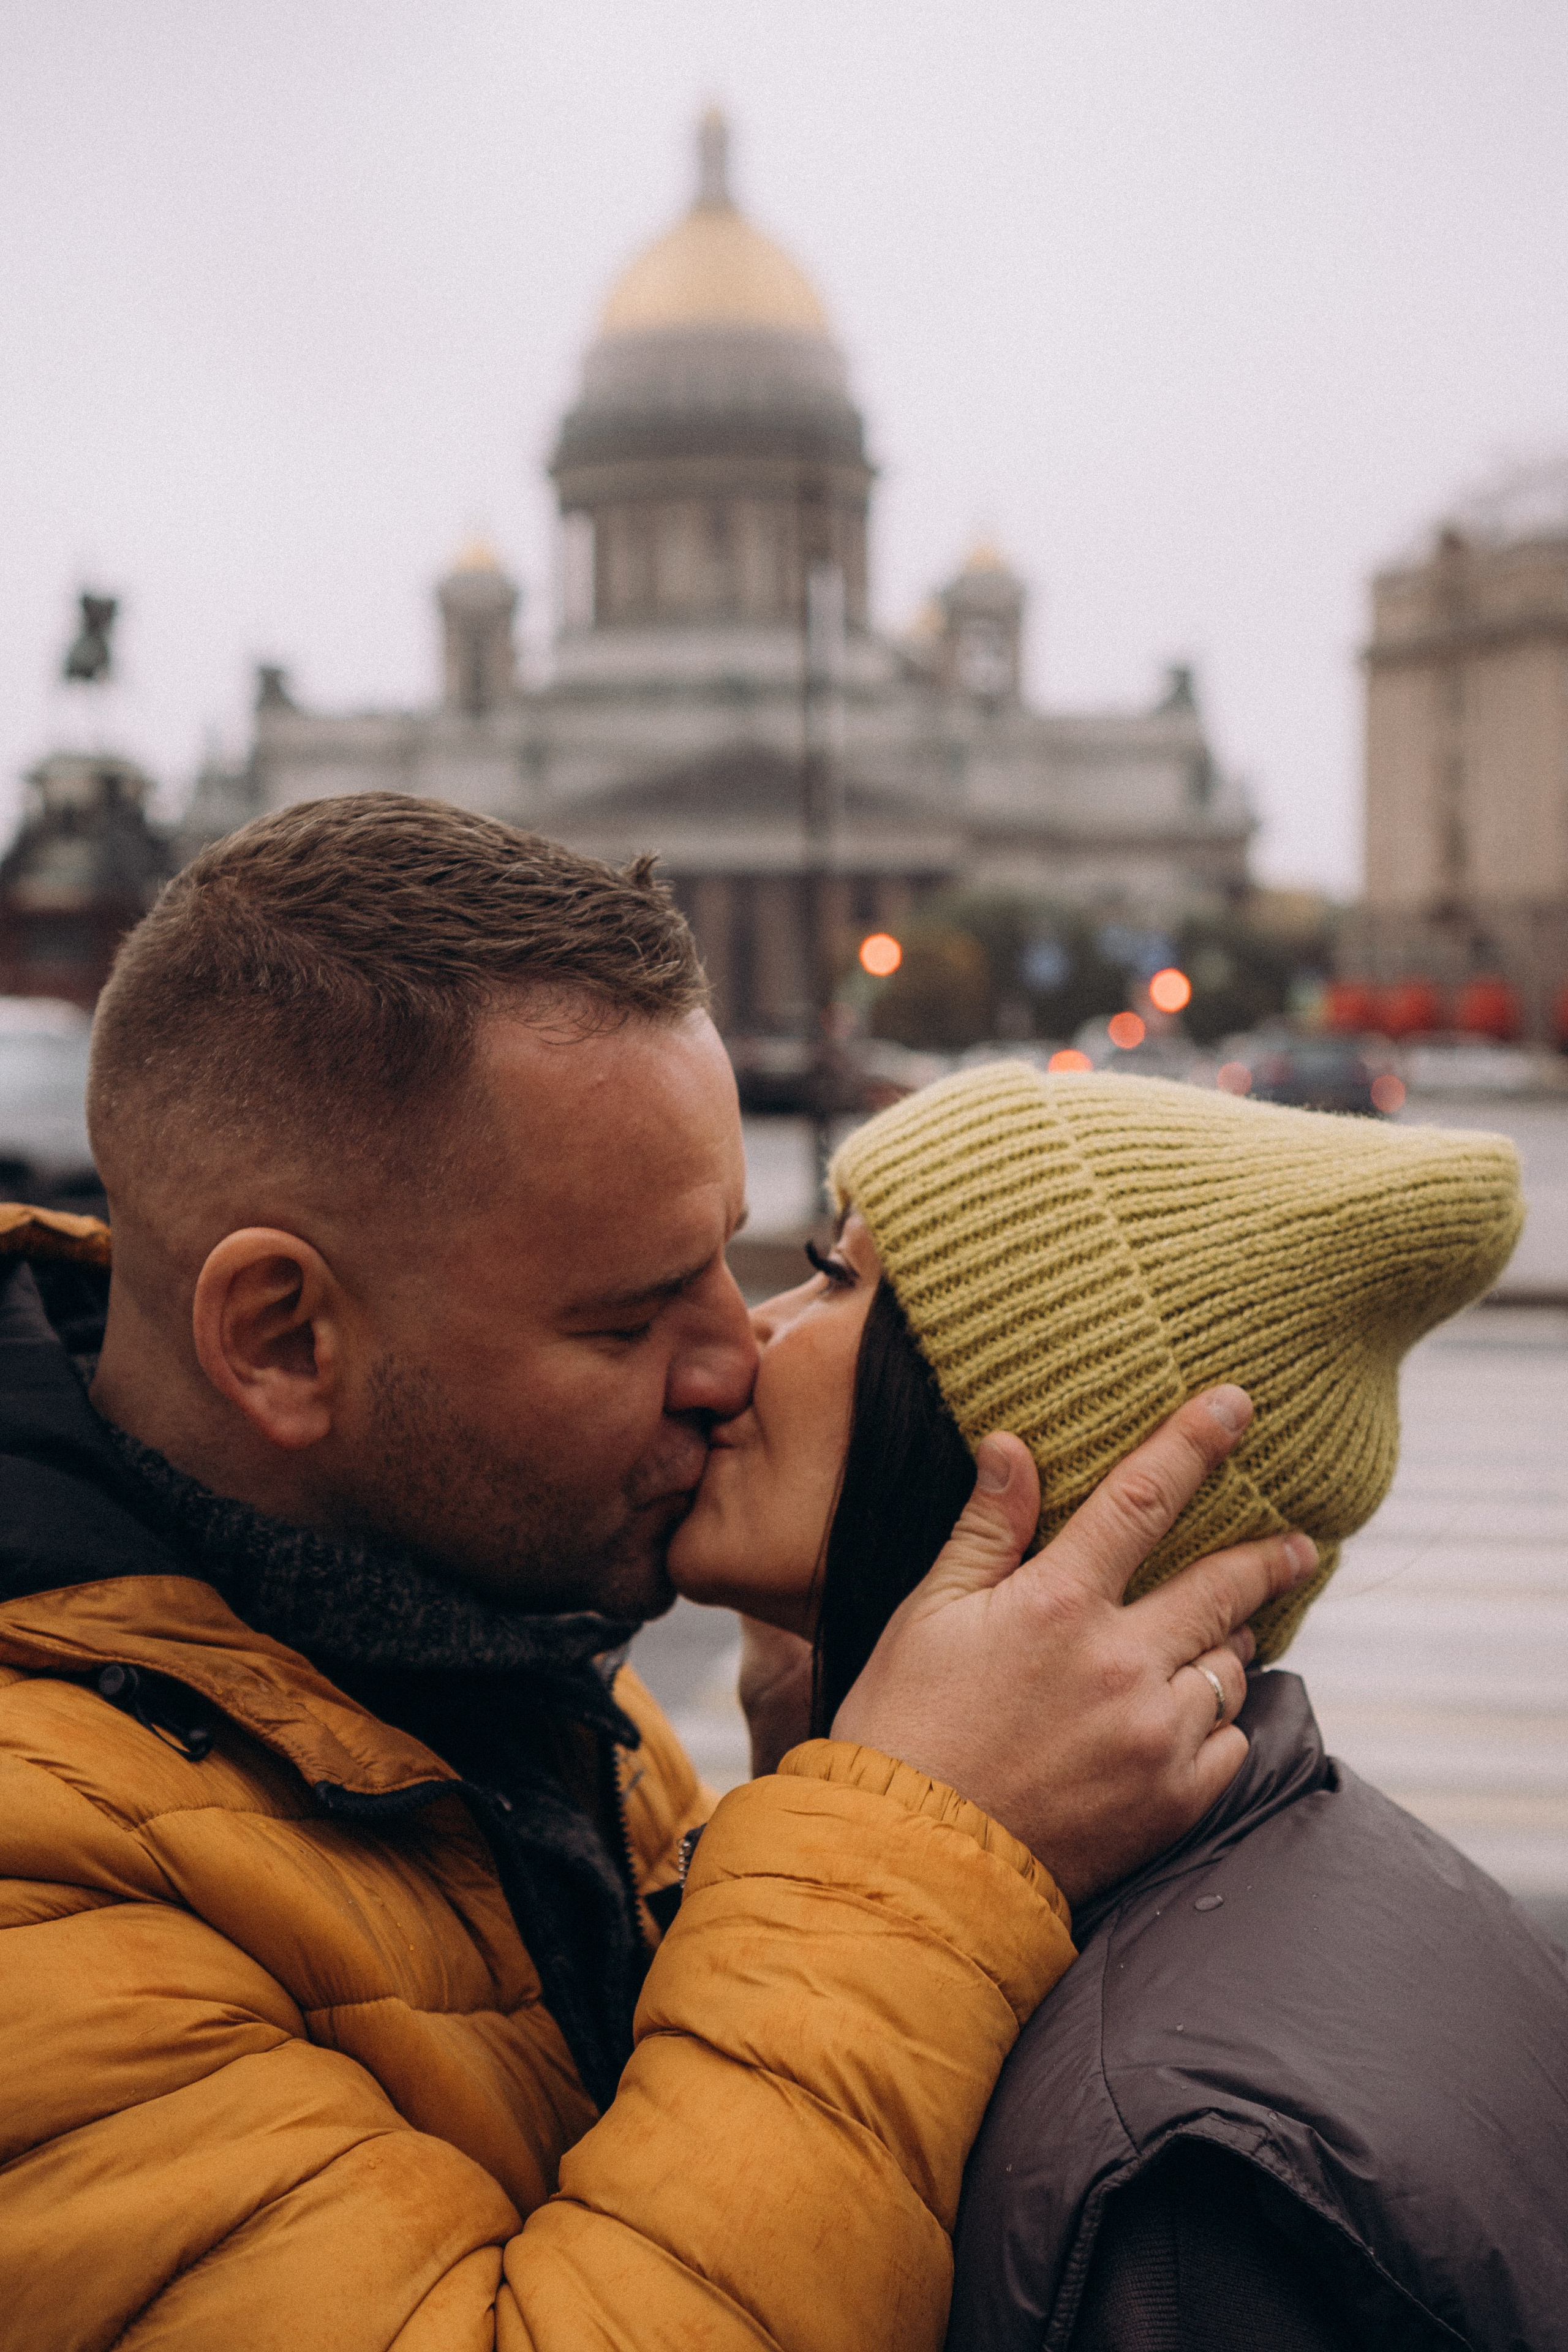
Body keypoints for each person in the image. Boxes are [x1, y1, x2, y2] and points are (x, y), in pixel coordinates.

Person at [0, 795, 1313, 2352]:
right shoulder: (43, 1865)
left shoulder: (488, 1644)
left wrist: (807, 1774)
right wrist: (907, 1842)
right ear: (286, 1337)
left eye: (738, 1260)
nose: (734, 1358)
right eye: (626, 1322)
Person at [669, 1058, 1568, 2351]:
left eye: (838, 1275)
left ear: (1021, 1459)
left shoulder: (1173, 2183)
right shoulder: (1243, 1903)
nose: (750, 1332)